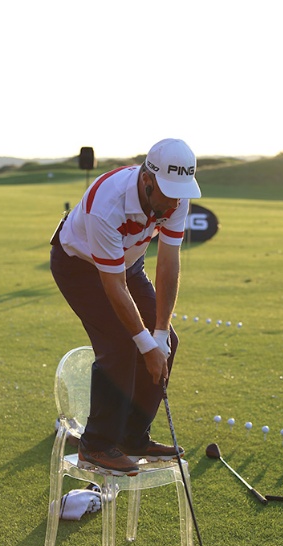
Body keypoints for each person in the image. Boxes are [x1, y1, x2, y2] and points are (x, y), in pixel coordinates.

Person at [50, 138, 201, 476]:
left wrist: (159, 333)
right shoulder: (108, 203)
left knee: (168, 342)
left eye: (180, 192)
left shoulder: (176, 198)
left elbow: (168, 263)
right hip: (79, 266)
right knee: (121, 344)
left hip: (128, 265)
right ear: (147, 181)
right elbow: (112, 285)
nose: (175, 201)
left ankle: (132, 437)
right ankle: (97, 446)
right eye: (168, 192)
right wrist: (146, 344)